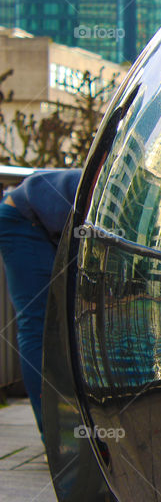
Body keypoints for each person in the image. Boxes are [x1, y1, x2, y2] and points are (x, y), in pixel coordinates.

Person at [0, 170, 81, 432]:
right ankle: (55, 434)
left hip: (51, 225)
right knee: (39, 323)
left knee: (62, 324)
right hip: (20, 218)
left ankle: (68, 425)